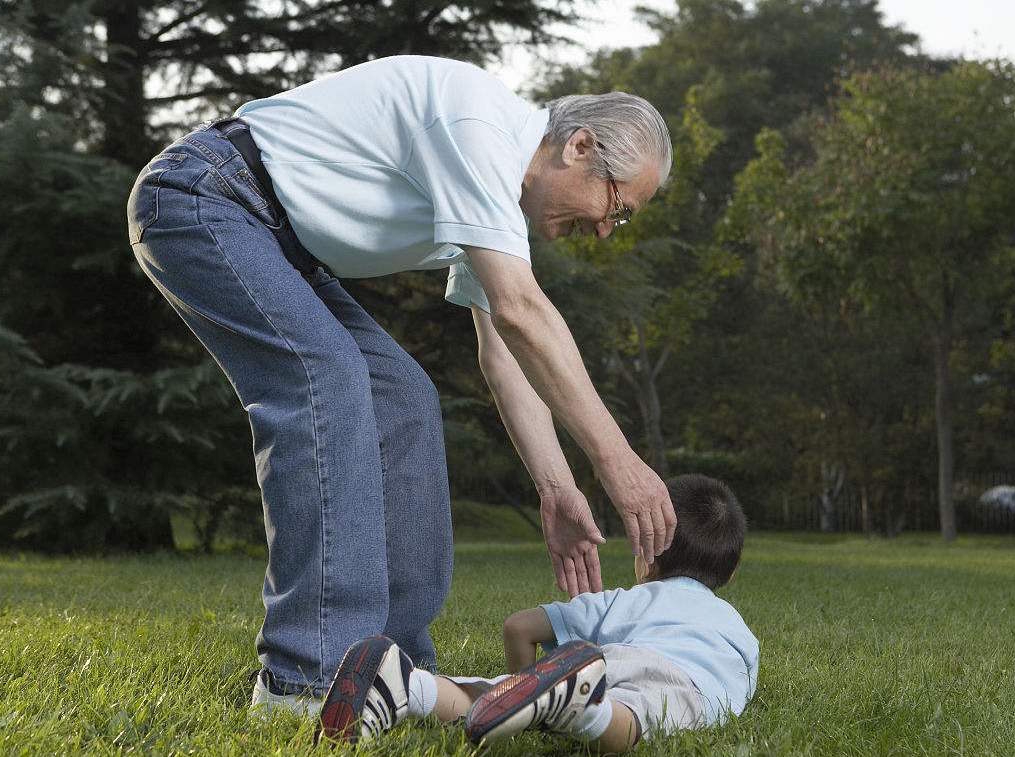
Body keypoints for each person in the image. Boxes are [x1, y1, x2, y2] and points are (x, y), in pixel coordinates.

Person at [125, 54, 677, 712]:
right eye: (617, 204)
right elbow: (525, 312)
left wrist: (558, 489)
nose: (607, 229)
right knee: (325, 375)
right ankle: (306, 676)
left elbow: (504, 351)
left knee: (405, 397)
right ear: (580, 146)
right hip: (205, 196)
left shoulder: (495, 197)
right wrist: (619, 463)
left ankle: (395, 671)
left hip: (279, 240)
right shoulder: (479, 124)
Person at [316, 474, 758, 752]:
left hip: (607, 662)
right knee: (638, 720)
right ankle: (581, 709)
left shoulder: (624, 600)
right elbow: (738, 690)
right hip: (684, 682)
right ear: (733, 571)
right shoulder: (737, 630)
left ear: (647, 558)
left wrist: (520, 684)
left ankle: (406, 685)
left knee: (486, 692)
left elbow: (520, 626)